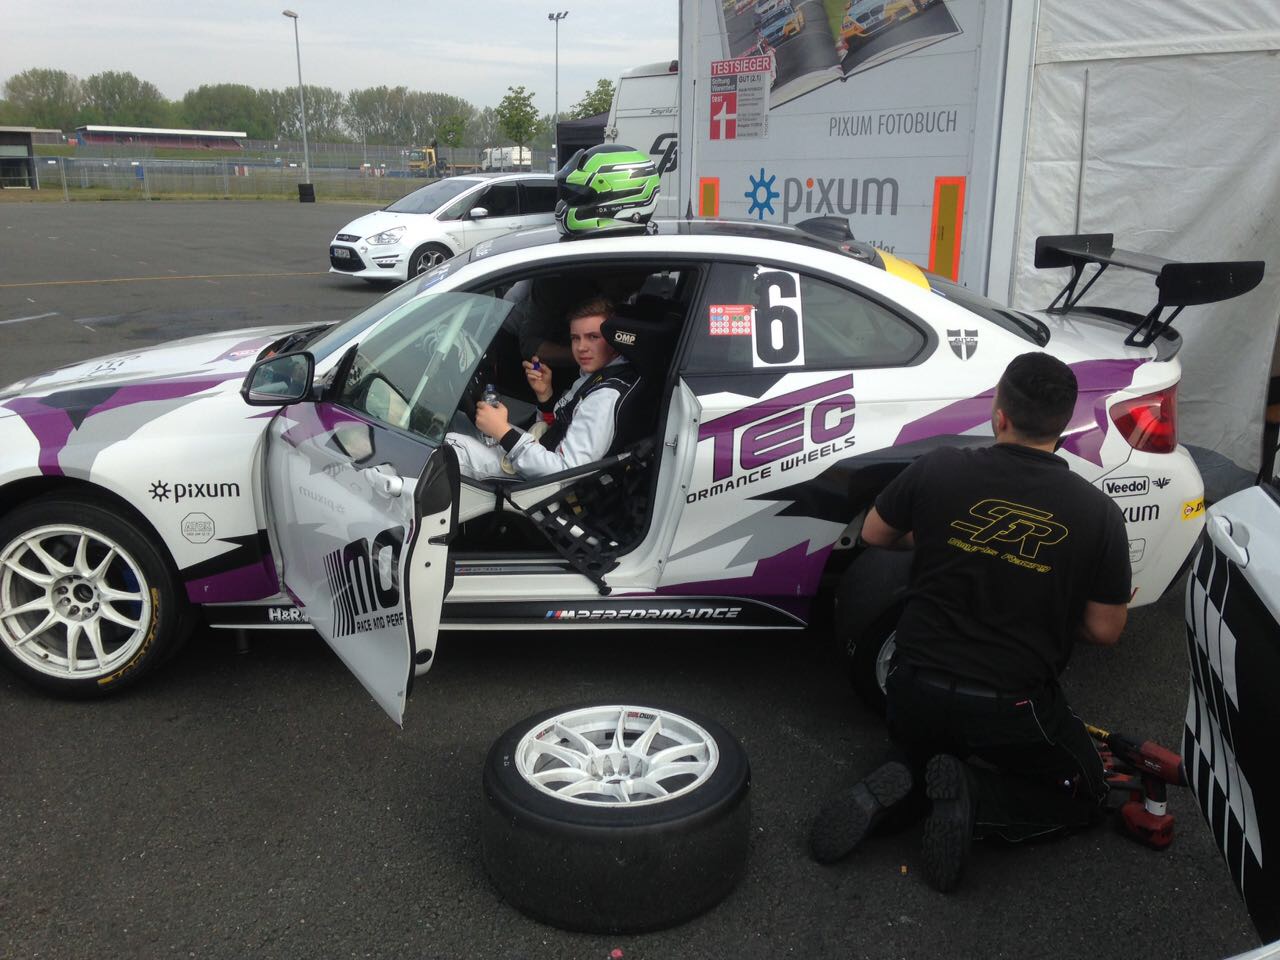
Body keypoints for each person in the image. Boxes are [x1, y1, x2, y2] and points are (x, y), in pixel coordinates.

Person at [809, 352, 1131, 892]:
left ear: (999, 415)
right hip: (1010, 706)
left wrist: (946, 543)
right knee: (1086, 793)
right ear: (1064, 428)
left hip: (911, 687)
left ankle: (907, 781)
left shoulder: (939, 466)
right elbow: (1105, 630)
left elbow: (874, 534)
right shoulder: (1097, 513)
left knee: (929, 753)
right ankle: (976, 798)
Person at [447, 297, 639, 481]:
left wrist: (503, 432)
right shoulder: (596, 376)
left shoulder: (604, 398)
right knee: (458, 420)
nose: (581, 347)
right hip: (538, 454)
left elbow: (565, 474)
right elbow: (558, 430)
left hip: (535, 485)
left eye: (593, 337)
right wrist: (545, 396)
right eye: (575, 338)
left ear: (615, 340)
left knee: (451, 447)